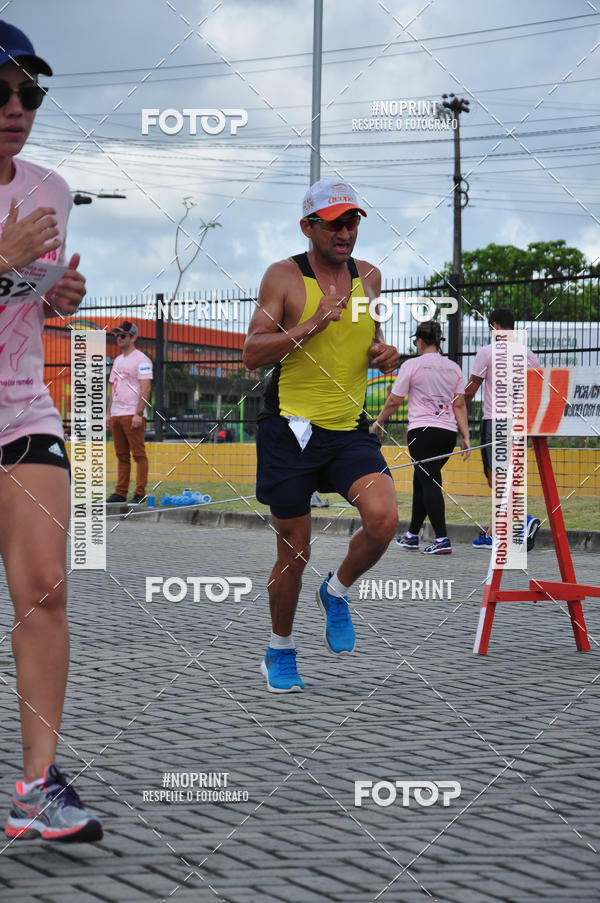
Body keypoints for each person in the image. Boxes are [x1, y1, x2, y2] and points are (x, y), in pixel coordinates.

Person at [0, 21, 102, 841]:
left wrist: (51, 296)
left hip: (23, 413)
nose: (15, 107)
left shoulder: (50, 188)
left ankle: (37, 785)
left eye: (30, 92)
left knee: (45, 588)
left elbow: (24, 299)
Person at [243, 178, 400, 693]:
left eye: (352, 221)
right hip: (289, 428)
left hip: (348, 428)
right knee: (295, 550)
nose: (346, 232)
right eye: (334, 223)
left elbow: (370, 343)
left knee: (384, 521)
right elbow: (253, 354)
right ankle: (279, 650)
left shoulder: (369, 276)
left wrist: (385, 355)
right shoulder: (284, 277)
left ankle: (337, 591)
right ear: (308, 226)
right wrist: (309, 324)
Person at [372, 320, 470, 554]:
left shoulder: (412, 365)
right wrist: (465, 435)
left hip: (422, 433)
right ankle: (411, 534)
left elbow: (395, 399)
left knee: (430, 481)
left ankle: (442, 539)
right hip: (448, 435)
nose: (415, 344)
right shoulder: (454, 368)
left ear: (421, 340)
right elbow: (459, 405)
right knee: (423, 479)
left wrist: (378, 420)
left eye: (416, 340)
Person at [464, 308, 541, 550]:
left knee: (496, 479)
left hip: (495, 421)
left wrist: (455, 405)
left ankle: (521, 522)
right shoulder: (528, 355)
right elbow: (537, 389)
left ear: (495, 326)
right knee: (507, 478)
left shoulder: (487, 352)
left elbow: (471, 388)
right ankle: (494, 532)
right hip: (520, 422)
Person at [106, 320, 153, 505]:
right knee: (121, 455)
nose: (119, 338)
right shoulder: (117, 360)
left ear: (133, 337)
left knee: (138, 454)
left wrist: (138, 414)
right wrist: (108, 414)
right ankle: (120, 492)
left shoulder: (142, 360)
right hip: (117, 413)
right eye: (117, 335)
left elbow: (146, 388)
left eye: (123, 335)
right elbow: (113, 389)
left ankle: (140, 494)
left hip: (132, 414)